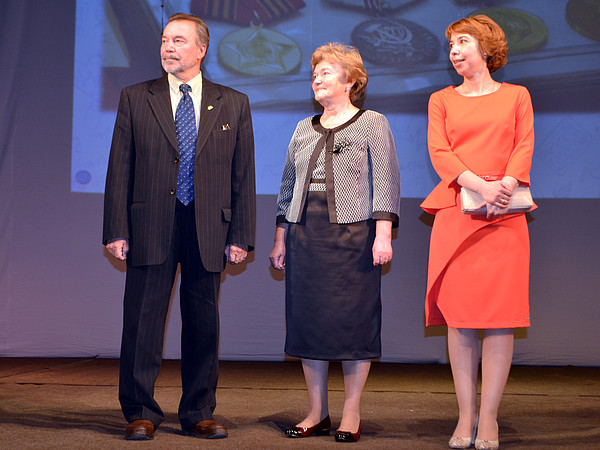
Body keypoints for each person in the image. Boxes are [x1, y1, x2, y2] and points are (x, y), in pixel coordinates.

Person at [103, 13, 255, 441]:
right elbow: (120, 167)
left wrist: (241, 235)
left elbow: (242, 174)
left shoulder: (233, 102)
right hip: (149, 222)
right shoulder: (136, 97)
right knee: (142, 322)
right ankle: (140, 412)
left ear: (201, 49)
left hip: (208, 226)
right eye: (165, 40)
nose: (168, 47)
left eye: (179, 40)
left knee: (204, 325)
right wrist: (116, 228)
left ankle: (199, 412)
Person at [269, 42, 401, 443]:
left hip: (354, 236)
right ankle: (317, 412)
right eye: (315, 74)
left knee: (353, 324)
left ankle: (351, 414)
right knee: (309, 323)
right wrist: (280, 239)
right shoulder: (301, 128)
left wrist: (383, 236)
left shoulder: (372, 122)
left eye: (326, 72)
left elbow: (386, 182)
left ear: (351, 81)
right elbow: (287, 186)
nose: (317, 79)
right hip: (304, 235)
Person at [421, 15, 535, 450]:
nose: (454, 50)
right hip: (458, 212)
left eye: (463, 41)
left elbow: (523, 144)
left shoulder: (517, 95)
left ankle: (489, 419)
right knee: (461, 319)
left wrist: (504, 185)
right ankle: (465, 416)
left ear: (486, 48)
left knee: (500, 319)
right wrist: (480, 186)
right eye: (451, 43)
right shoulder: (441, 99)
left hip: (505, 215)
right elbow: (440, 152)